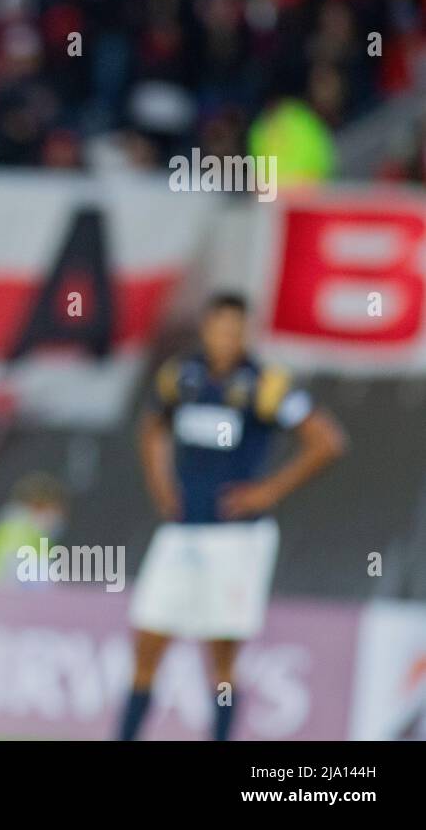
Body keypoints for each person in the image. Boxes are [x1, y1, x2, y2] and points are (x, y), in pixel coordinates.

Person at [117, 293, 346, 741]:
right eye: (219, 327)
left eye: (235, 329)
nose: (226, 337)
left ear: (246, 333)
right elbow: (152, 428)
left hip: (236, 539)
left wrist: (269, 490)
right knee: (148, 639)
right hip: (183, 532)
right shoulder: (182, 376)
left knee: (219, 657)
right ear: (206, 329)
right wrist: (161, 483)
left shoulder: (266, 384)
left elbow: (327, 441)